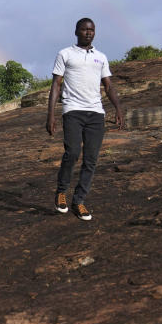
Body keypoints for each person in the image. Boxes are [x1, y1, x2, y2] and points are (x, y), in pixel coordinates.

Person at [46, 17, 124, 221]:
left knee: (91, 160)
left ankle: (79, 201)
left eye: (91, 30)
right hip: (73, 110)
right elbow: (56, 85)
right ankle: (61, 192)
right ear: (76, 32)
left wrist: (118, 109)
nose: (88, 33)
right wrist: (51, 115)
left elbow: (108, 86)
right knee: (72, 152)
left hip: (96, 113)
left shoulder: (101, 57)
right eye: (84, 29)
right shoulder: (65, 54)